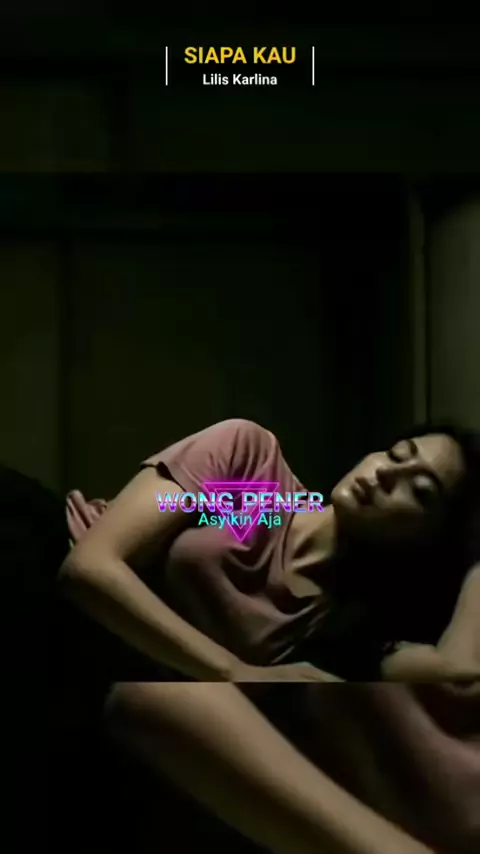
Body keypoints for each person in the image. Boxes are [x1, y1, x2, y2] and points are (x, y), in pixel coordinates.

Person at [60, 418, 480, 691]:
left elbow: (458, 674)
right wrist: (234, 672)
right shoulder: (253, 465)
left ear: (430, 541)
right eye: (397, 454)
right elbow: (88, 567)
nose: (387, 472)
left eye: (419, 490)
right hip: (54, 564)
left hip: (104, 675)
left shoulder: (336, 625)